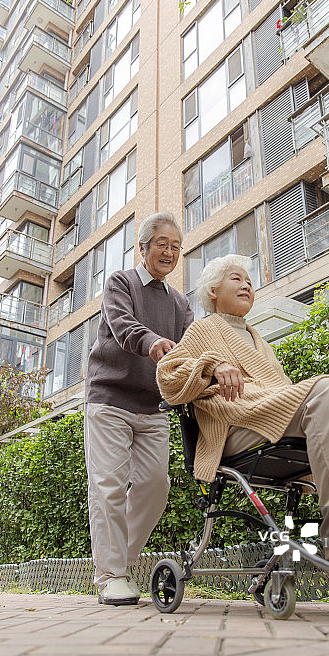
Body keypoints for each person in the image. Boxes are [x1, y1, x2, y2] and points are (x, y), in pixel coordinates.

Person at [156, 254, 329, 564]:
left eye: (249, 281)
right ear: (213, 291)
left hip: (270, 413)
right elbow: (167, 378)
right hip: (236, 425)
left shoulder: (259, 340)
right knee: (328, 389)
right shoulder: (202, 330)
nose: (246, 285)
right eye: (236, 278)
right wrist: (212, 364)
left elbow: (283, 390)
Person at [85, 213, 194, 605]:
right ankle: (111, 575)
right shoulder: (120, 283)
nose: (168, 252)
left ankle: (120, 563)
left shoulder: (180, 304)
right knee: (108, 487)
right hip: (110, 399)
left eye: (175, 246)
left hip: (153, 406)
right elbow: (122, 325)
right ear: (142, 248)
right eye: (161, 244)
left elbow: (189, 353)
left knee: (155, 486)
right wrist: (151, 342)